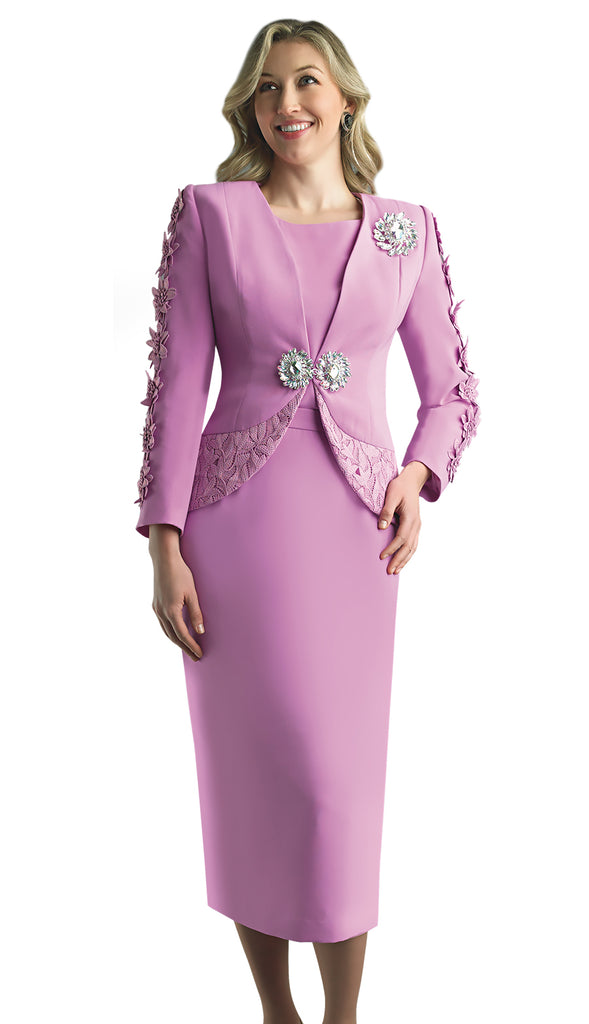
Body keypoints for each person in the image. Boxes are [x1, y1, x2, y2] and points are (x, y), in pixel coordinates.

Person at [133, 17, 481, 1024]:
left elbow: (453, 391)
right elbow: (175, 389)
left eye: (307, 81)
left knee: (335, 786)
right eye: (268, 87)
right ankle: (276, 1011)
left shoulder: (406, 228)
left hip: (353, 535)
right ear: (250, 107)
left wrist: (418, 474)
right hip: (233, 535)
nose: (287, 103)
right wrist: (164, 544)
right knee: (255, 778)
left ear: (346, 100)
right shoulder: (210, 216)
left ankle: (340, 1016)